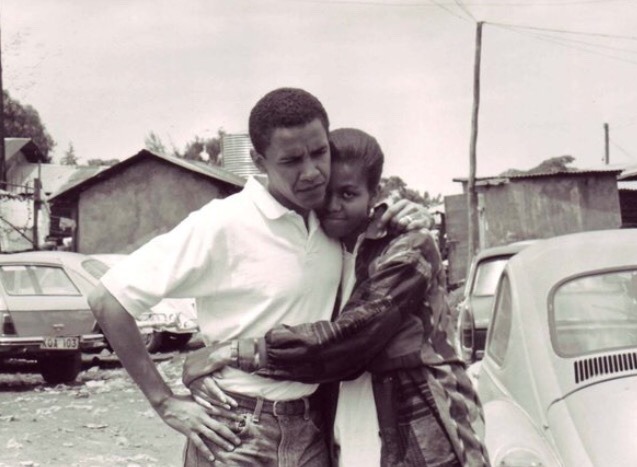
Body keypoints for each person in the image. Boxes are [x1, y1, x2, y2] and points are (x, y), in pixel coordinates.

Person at [88, 88, 427, 466]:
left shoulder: (330, 221)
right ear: (258, 161)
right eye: (291, 160)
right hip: (236, 430)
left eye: (319, 152)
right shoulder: (224, 222)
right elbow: (107, 299)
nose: (312, 172)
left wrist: (406, 213)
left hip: (314, 428)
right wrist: (165, 402)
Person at [183, 128, 490, 466]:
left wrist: (231, 352)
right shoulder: (320, 249)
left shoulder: (408, 245)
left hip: (417, 418)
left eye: (348, 193)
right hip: (344, 420)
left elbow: (350, 340)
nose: (332, 205)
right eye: (325, 192)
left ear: (374, 194)